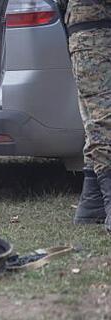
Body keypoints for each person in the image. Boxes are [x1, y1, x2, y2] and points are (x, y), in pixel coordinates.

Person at [65, 0, 111, 232]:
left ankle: (92, 205)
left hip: (92, 31)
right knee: (103, 118)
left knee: (94, 117)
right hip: (94, 34)